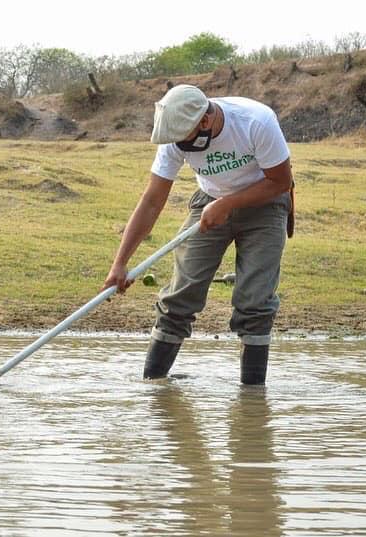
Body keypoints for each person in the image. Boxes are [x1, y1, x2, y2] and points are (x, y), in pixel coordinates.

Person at [102, 84, 294, 385]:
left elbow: (281, 181)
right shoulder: (175, 136)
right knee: (181, 293)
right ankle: (153, 385)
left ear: (204, 122)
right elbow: (152, 200)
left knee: (255, 300)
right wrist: (120, 262)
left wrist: (229, 204)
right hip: (208, 202)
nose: (178, 145)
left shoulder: (256, 121)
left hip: (265, 202)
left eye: (184, 138)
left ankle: (252, 399)